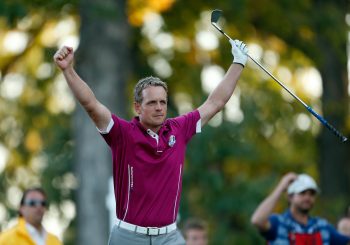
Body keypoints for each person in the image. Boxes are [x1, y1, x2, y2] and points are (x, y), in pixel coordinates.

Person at [53, 38, 248, 245]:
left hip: (169, 238)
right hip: (128, 237)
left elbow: (215, 102)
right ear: (138, 107)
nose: (159, 107)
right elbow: (91, 105)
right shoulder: (123, 134)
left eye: (162, 102)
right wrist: (68, 71)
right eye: (152, 102)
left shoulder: (179, 129)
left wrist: (238, 62)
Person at [251, 172, 350, 244]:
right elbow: (257, 220)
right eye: (302, 193)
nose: (307, 197)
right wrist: (281, 187)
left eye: (312, 194)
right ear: (290, 197)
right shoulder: (278, 223)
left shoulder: (322, 227)